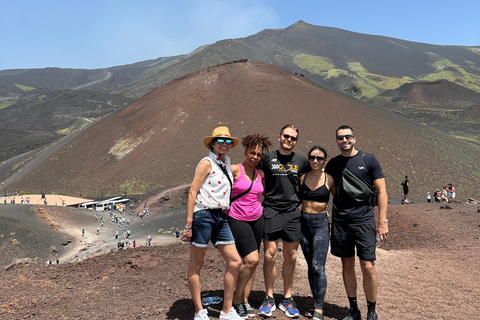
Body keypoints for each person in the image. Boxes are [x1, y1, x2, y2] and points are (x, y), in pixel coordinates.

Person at [324, 125, 388, 320]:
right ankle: (353, 309)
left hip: (364, 221)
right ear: (336, 141)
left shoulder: (369, 159)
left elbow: (382, 192)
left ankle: (371, 310)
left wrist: (382, 222)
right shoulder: (333, 164)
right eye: (341, 137)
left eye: (348, 136)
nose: (345, 140)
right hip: (342, 222)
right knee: (347, 265)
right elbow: (332, 191)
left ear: (354, 138)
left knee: (368, 266)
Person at [181, 126, 243, 320]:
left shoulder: (226, 162)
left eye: (228, 142)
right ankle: (200, 312)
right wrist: (189, 223)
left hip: (220, 216)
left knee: (235, 261)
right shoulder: (206, 163)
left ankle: (226, 310)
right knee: (197, 264)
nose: (224, 144)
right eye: (220, 141)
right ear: (213, 144)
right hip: (203, 215)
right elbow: (192, 192)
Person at [258, 124, 309, 318]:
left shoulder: (301, 161)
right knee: (269, 255)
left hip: (292, 213)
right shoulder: (267, 158)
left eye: (293, 138)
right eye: (286, 136)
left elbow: (307, 181)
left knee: (291, 256)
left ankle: (287, 297)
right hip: (271, 211)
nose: (289, 140)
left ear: (296, 141)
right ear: (279, 137)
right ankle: (269, 297)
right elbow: (257, 176)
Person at [226, 134, 272, 319]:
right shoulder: (235, 169)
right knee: (252, 260)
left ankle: (244, 301)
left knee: (252, 264)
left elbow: (265, 194)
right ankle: (236, 300)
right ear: (245, 151)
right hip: (237, 218)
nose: (255, 157)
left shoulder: (260, 174)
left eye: (259, 155)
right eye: (252, 153)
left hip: (257, 219)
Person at [298, 146, 334, 320]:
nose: (315, 161)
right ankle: (315, 301)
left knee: (318, 267)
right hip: (303, 223)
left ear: (324, 161)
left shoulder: (329, 179)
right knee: (310, 267)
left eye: (319, 158)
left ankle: (319, 307)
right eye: (312, 157)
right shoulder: (302, 177)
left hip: (320, 224)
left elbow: (338, 201)